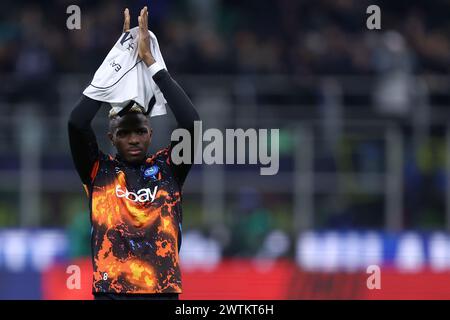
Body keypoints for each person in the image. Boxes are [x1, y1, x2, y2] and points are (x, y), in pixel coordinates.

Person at [68, 6, 199, 300]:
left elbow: (191, 123)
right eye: (124, 133)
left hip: (162, 291)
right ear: (111, 137)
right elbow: (77, 122)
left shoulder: (170, 167)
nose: (134, 139)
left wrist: (151, 63)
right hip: (111, 293)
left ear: (151, 133)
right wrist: (117, 63)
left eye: (140, 131)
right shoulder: (97, 170)